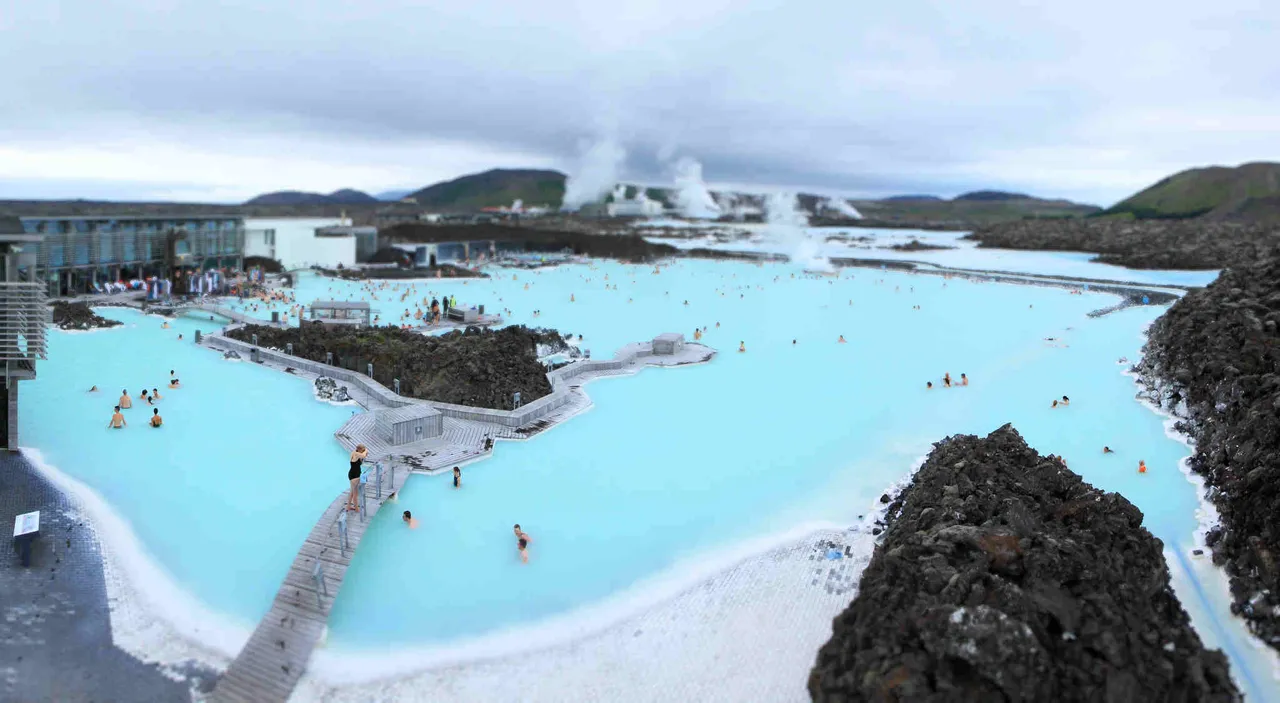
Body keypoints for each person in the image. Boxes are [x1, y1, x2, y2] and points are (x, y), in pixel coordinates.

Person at [347, 444, 368, 511]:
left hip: (353, 474)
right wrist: (366, 450)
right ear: (360, 449)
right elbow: (364, 455)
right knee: (355, 494)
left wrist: (364, 452)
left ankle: (348, 506)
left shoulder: (356, 453)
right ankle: (356, 509)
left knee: (352, 492)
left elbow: (363, 457)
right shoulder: (356, 454)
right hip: (354, 476)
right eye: (363, 450)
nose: (363, 451)